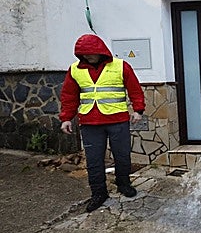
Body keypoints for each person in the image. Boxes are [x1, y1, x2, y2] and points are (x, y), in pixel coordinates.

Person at [59, 34, 146, 212]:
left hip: (117, 121)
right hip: (90, 123)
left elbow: (135, 89)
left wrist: (138, 110)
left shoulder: (121, 66)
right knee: (94, 161)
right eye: (82, 54)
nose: (86, 56)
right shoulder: (75, 70)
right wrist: (66, 117)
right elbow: (69, 96)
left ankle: (123, 184)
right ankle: (98, 193)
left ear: (100, 51)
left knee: (122, 157)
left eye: (90, 53)